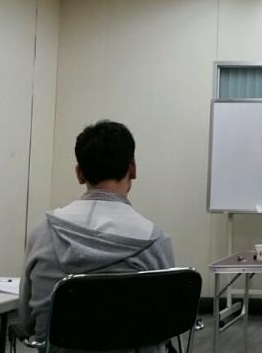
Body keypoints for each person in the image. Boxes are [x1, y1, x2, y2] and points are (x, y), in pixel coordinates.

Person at [19, 120, 175, 352]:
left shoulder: (42, 232)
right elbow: (168, 324)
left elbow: (26, 322)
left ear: (79, 174)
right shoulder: (155, 240)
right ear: (132, 169)